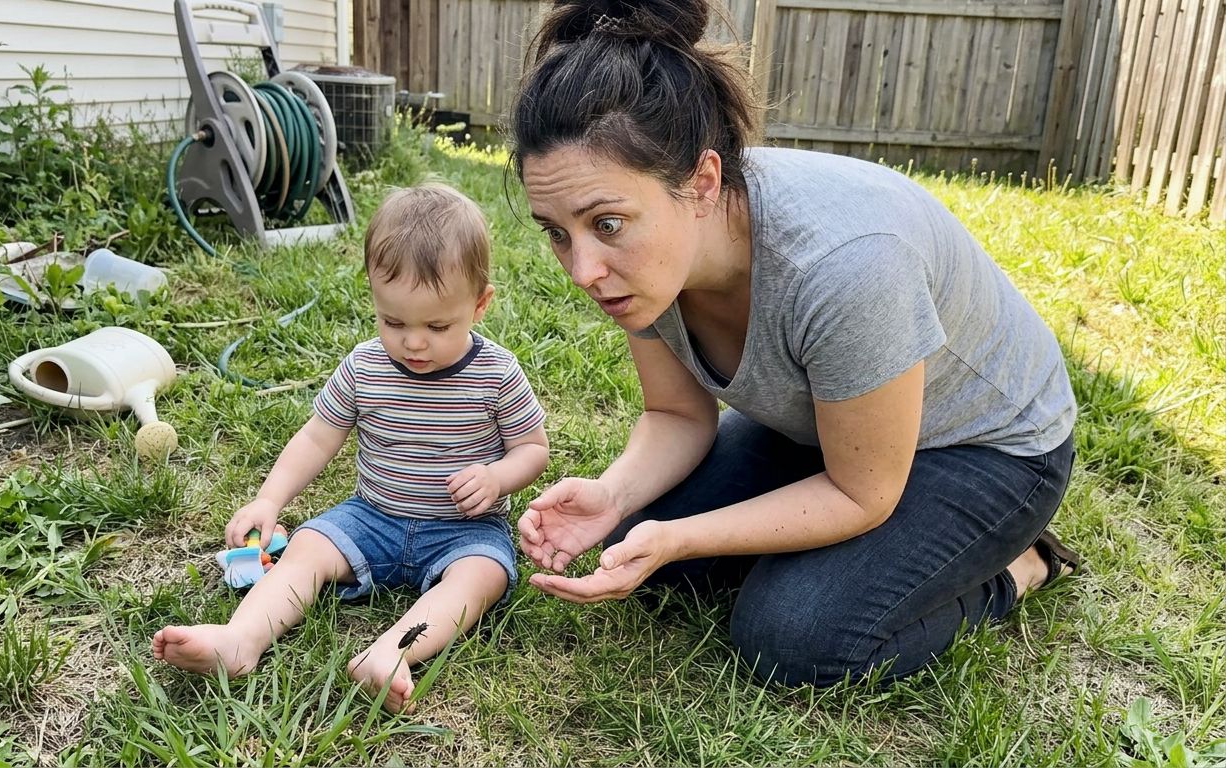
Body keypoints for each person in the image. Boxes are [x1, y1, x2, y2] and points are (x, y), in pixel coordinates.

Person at [509, 0, 1081, 686]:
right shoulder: (644, 262)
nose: (583, 271)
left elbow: (861, 492)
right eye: (555, 231)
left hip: (991, 449)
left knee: (793, 635)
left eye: (606, 224)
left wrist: (683, 534)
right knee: (650, 557)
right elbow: (674, 415)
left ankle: (1017, 566)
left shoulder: (847, 266)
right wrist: (614, 494)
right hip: (824, 426)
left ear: (703, 182)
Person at [152, 183, 550, 712]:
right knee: (305, 552)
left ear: (480, 306)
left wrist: (499, 478)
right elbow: (317, 437)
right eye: (394, 322)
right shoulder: (364, 366)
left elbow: (533, 448)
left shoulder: (495, 374)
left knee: (483, 578)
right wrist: (270, 499)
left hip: (464, 529)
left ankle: (393, 651)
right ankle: (240, 639)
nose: (413, 342)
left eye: (437, 325)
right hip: (372, 516)